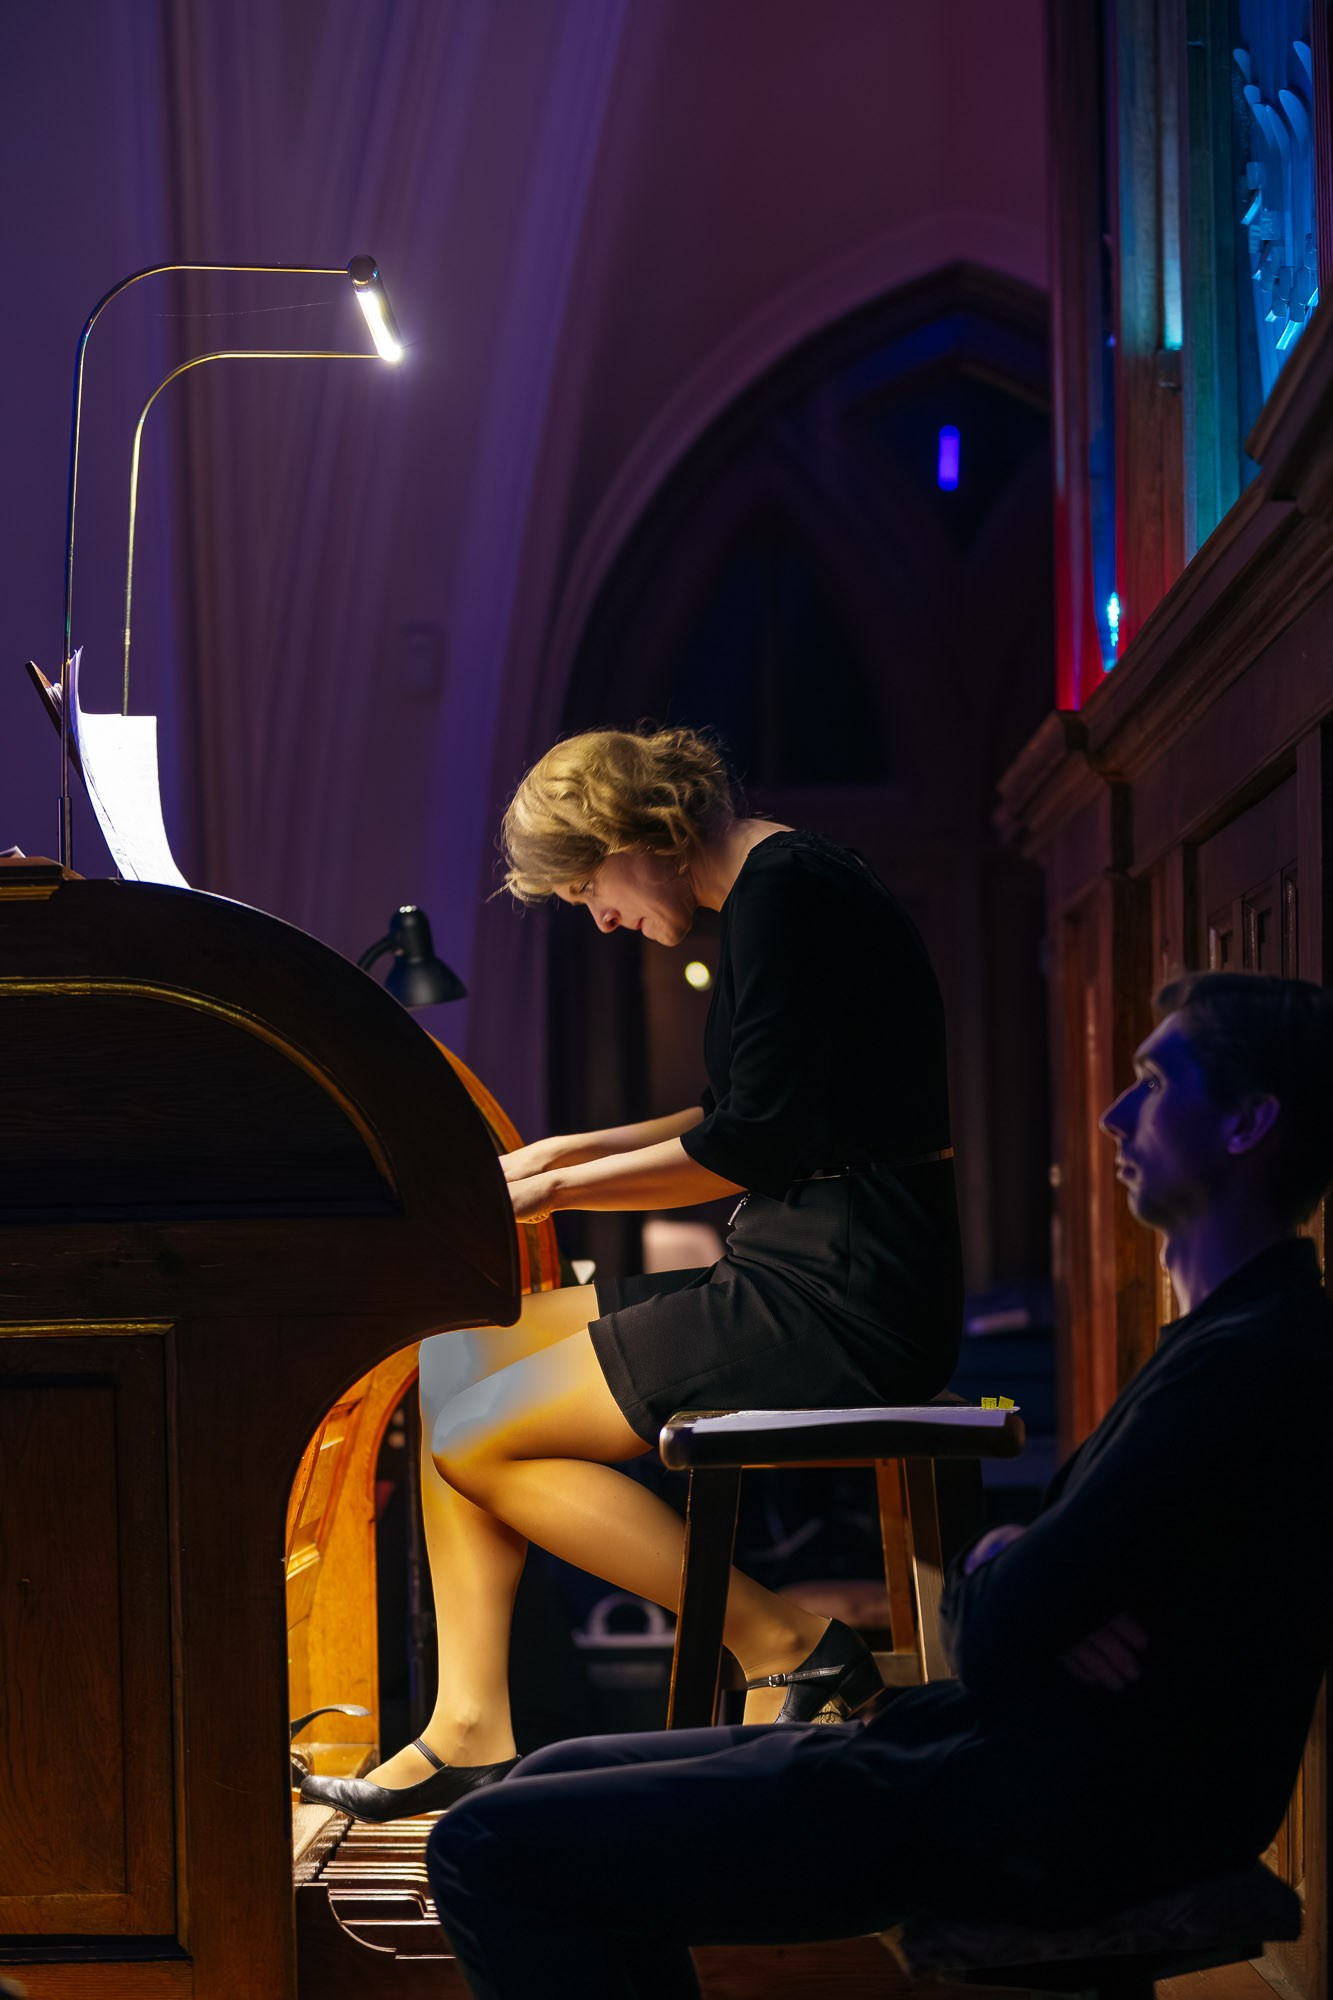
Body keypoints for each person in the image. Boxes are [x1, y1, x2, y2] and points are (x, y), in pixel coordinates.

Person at [424, 970, 1333, 2000]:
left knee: (484, 1840)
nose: (1114, 1114)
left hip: (1024, 1802)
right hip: (988, 1748)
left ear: (1247, 1123)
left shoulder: (1250, 1358)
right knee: (549, 1775)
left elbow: (996, 1629)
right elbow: (1034, 1608)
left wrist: (1013, 1575)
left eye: (1154, 1084)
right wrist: (1026, 1577)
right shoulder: (1232, 1335)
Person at [301, 724, 963, 1821]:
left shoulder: (788, 892)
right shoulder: (773, 888)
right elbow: (738, 1112)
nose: (599, 918)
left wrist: (557, 1189)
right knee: (459, 1349)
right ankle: (468, 1729)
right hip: (795, 1265)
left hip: (845, 1296)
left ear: (631, 835)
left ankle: (785, 1641)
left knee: (475, 1438)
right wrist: (555, 1155)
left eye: (586, 889)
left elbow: (743, 1149)